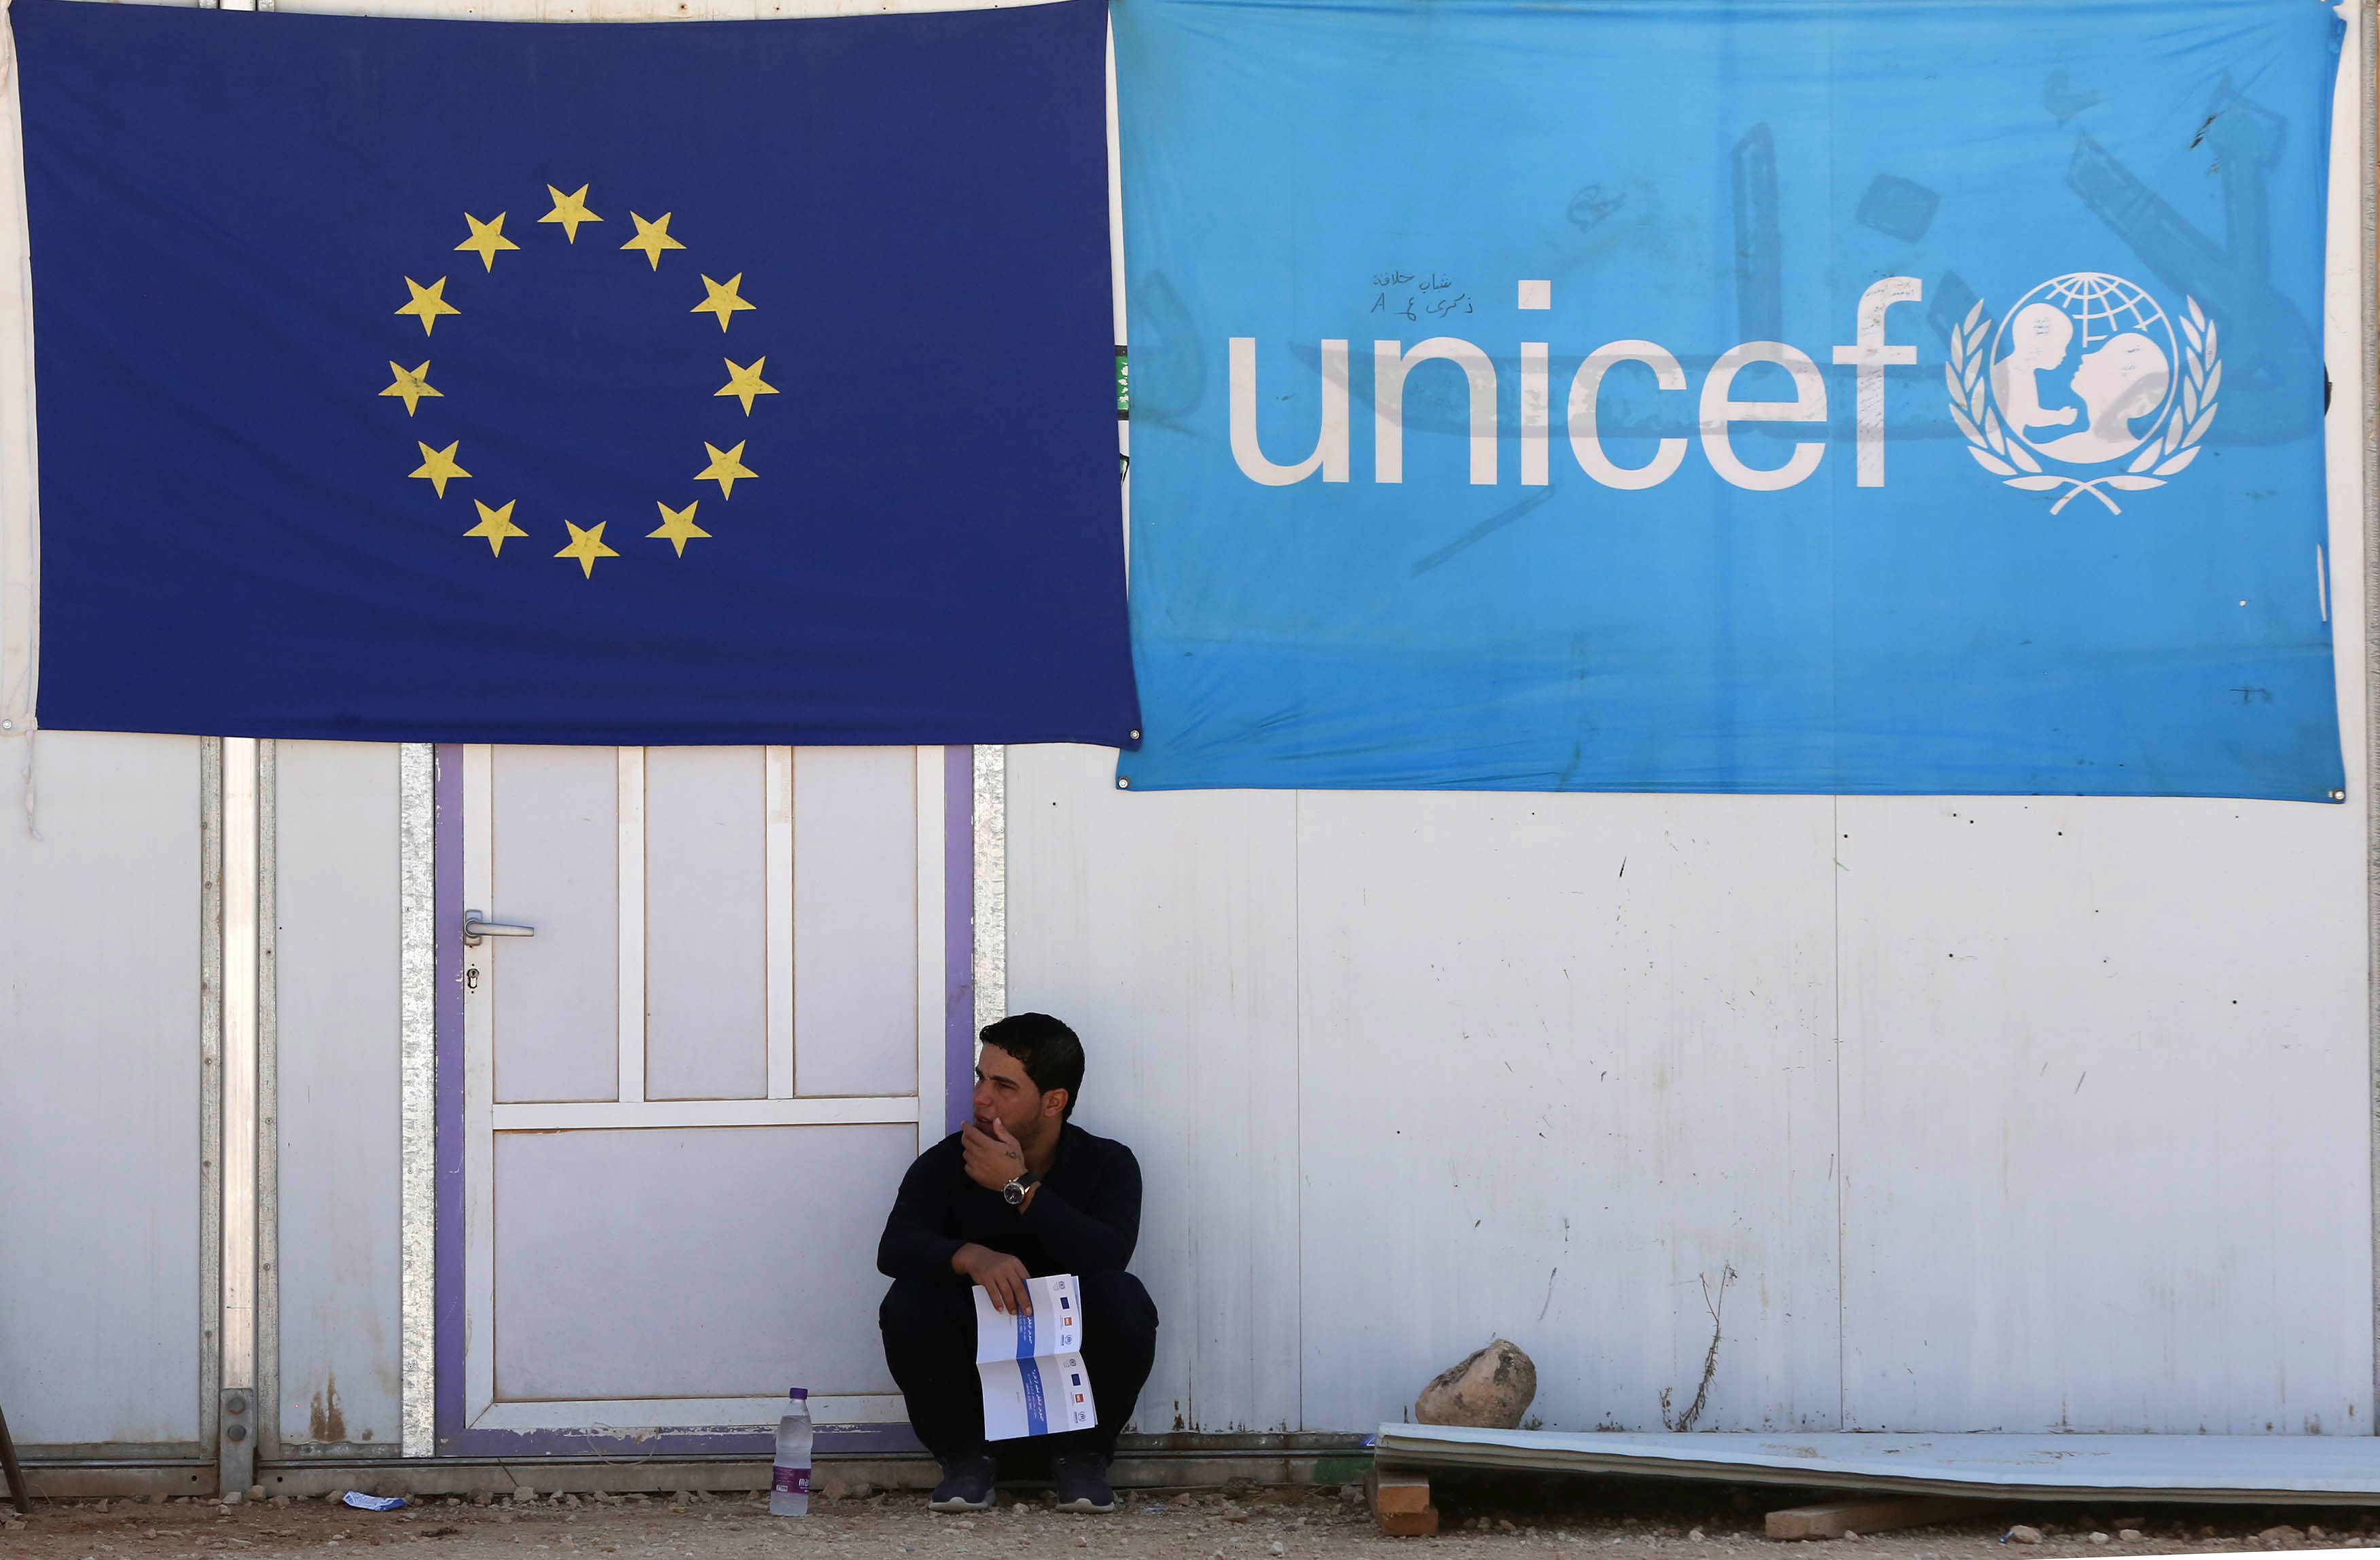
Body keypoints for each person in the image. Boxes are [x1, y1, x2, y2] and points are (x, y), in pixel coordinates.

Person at [877, 1013, 1159, 1516]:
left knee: (1125, 1297)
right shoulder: (948, 1162)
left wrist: (1019, 1186)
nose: (981, 1097)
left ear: (1054, 1101)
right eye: (981, 1078)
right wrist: (971, 1256)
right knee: (907, 1299)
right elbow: (894, 1247)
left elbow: (1108, 1254)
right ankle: (965, 1462)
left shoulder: (1110, 1164)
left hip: (1070, 1408)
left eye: (1003, 1085)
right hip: (976, 1409)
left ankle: (1083, 1461)